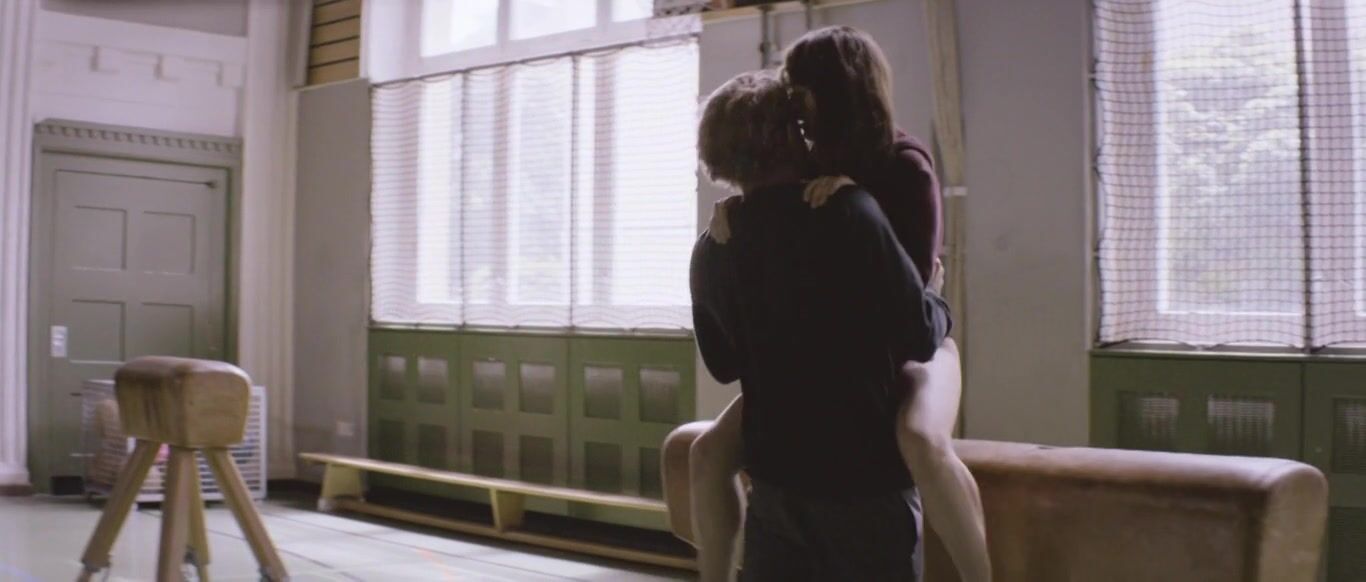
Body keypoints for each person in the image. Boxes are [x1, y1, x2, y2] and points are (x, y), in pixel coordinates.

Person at [692, 26, 991, 582]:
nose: (792, 101)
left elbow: (915, 307)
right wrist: (730, 209)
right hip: (849, 351)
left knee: (921, 441)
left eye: (799, 88)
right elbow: (767, 189)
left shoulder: (902, 165)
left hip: (915, 343)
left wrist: (860, 207)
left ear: (834, 90)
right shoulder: (810, 165)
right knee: (709, 452)